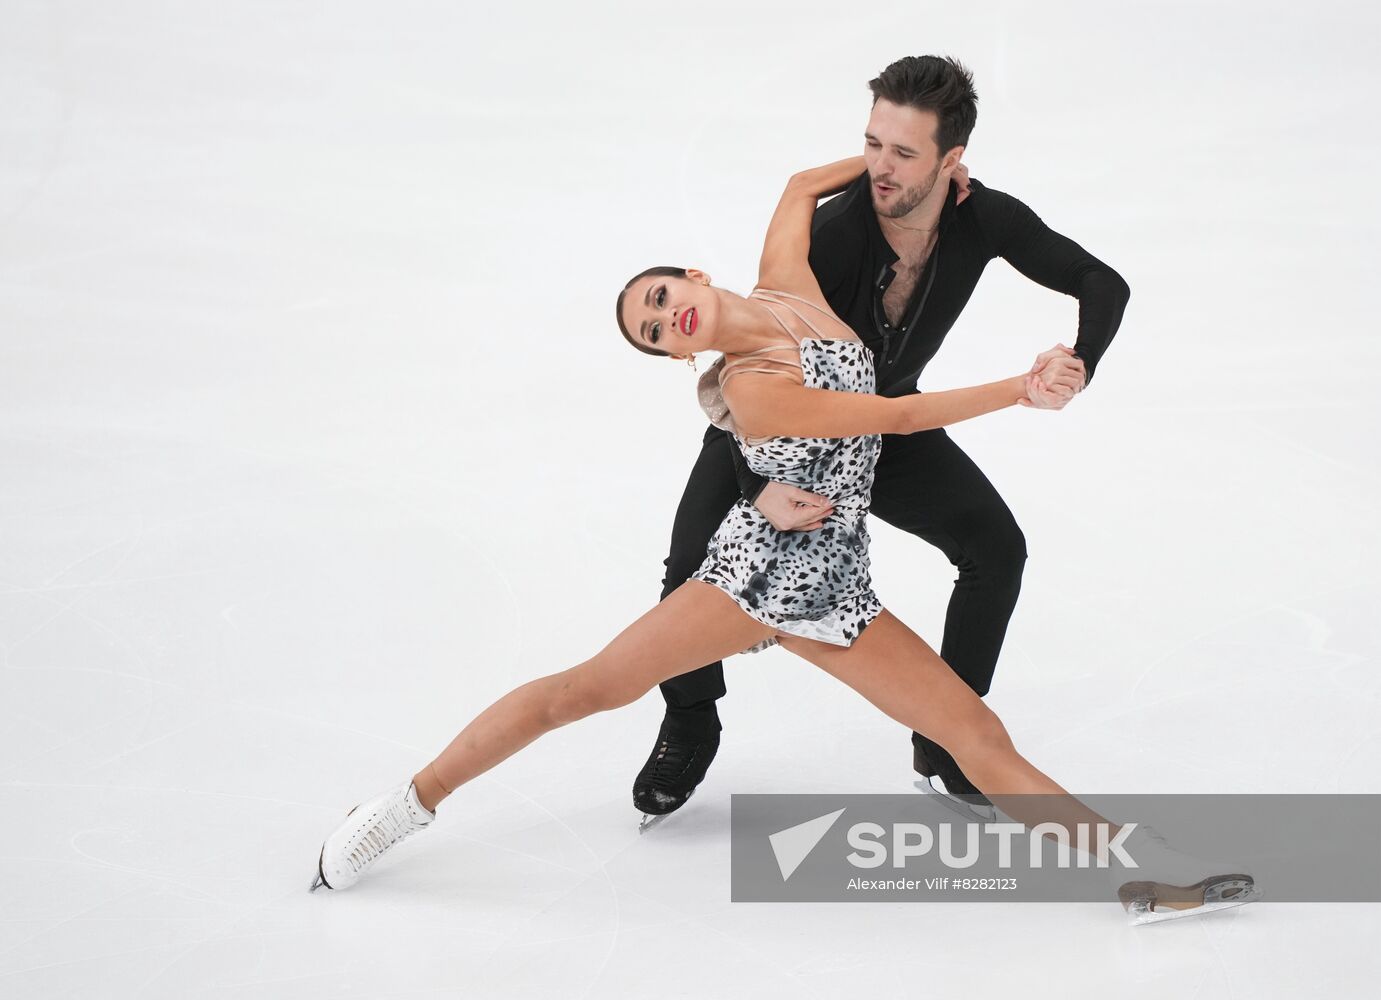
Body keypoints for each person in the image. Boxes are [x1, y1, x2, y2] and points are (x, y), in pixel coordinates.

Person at [307, 154, 1256, 924]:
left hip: (836, 579)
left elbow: (800, 187)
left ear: (692, 275)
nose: (663, 317)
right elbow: (887, 416)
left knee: (972, 731)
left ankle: (1139, 874)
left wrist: (912, 169)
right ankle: (398, 809)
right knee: (582, 691)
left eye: (659, 296)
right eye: (652, 332)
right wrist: (1018, 386)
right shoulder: (755, 377)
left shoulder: (788, 288)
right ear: (676, 355)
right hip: (756, 575)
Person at [634, 55, 1132, 824]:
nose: (880, 168)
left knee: (994, 547)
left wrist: (1078, 363)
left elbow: (1102, 283)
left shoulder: (983, 216)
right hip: (771, 433)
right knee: (688, 563)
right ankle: (691, 718)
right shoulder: (837, 235)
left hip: (884, 421)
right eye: (871, 145)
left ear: (950, 160)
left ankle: (947, 742)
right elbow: (751, 376)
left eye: (904, 153)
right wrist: (755, 487)